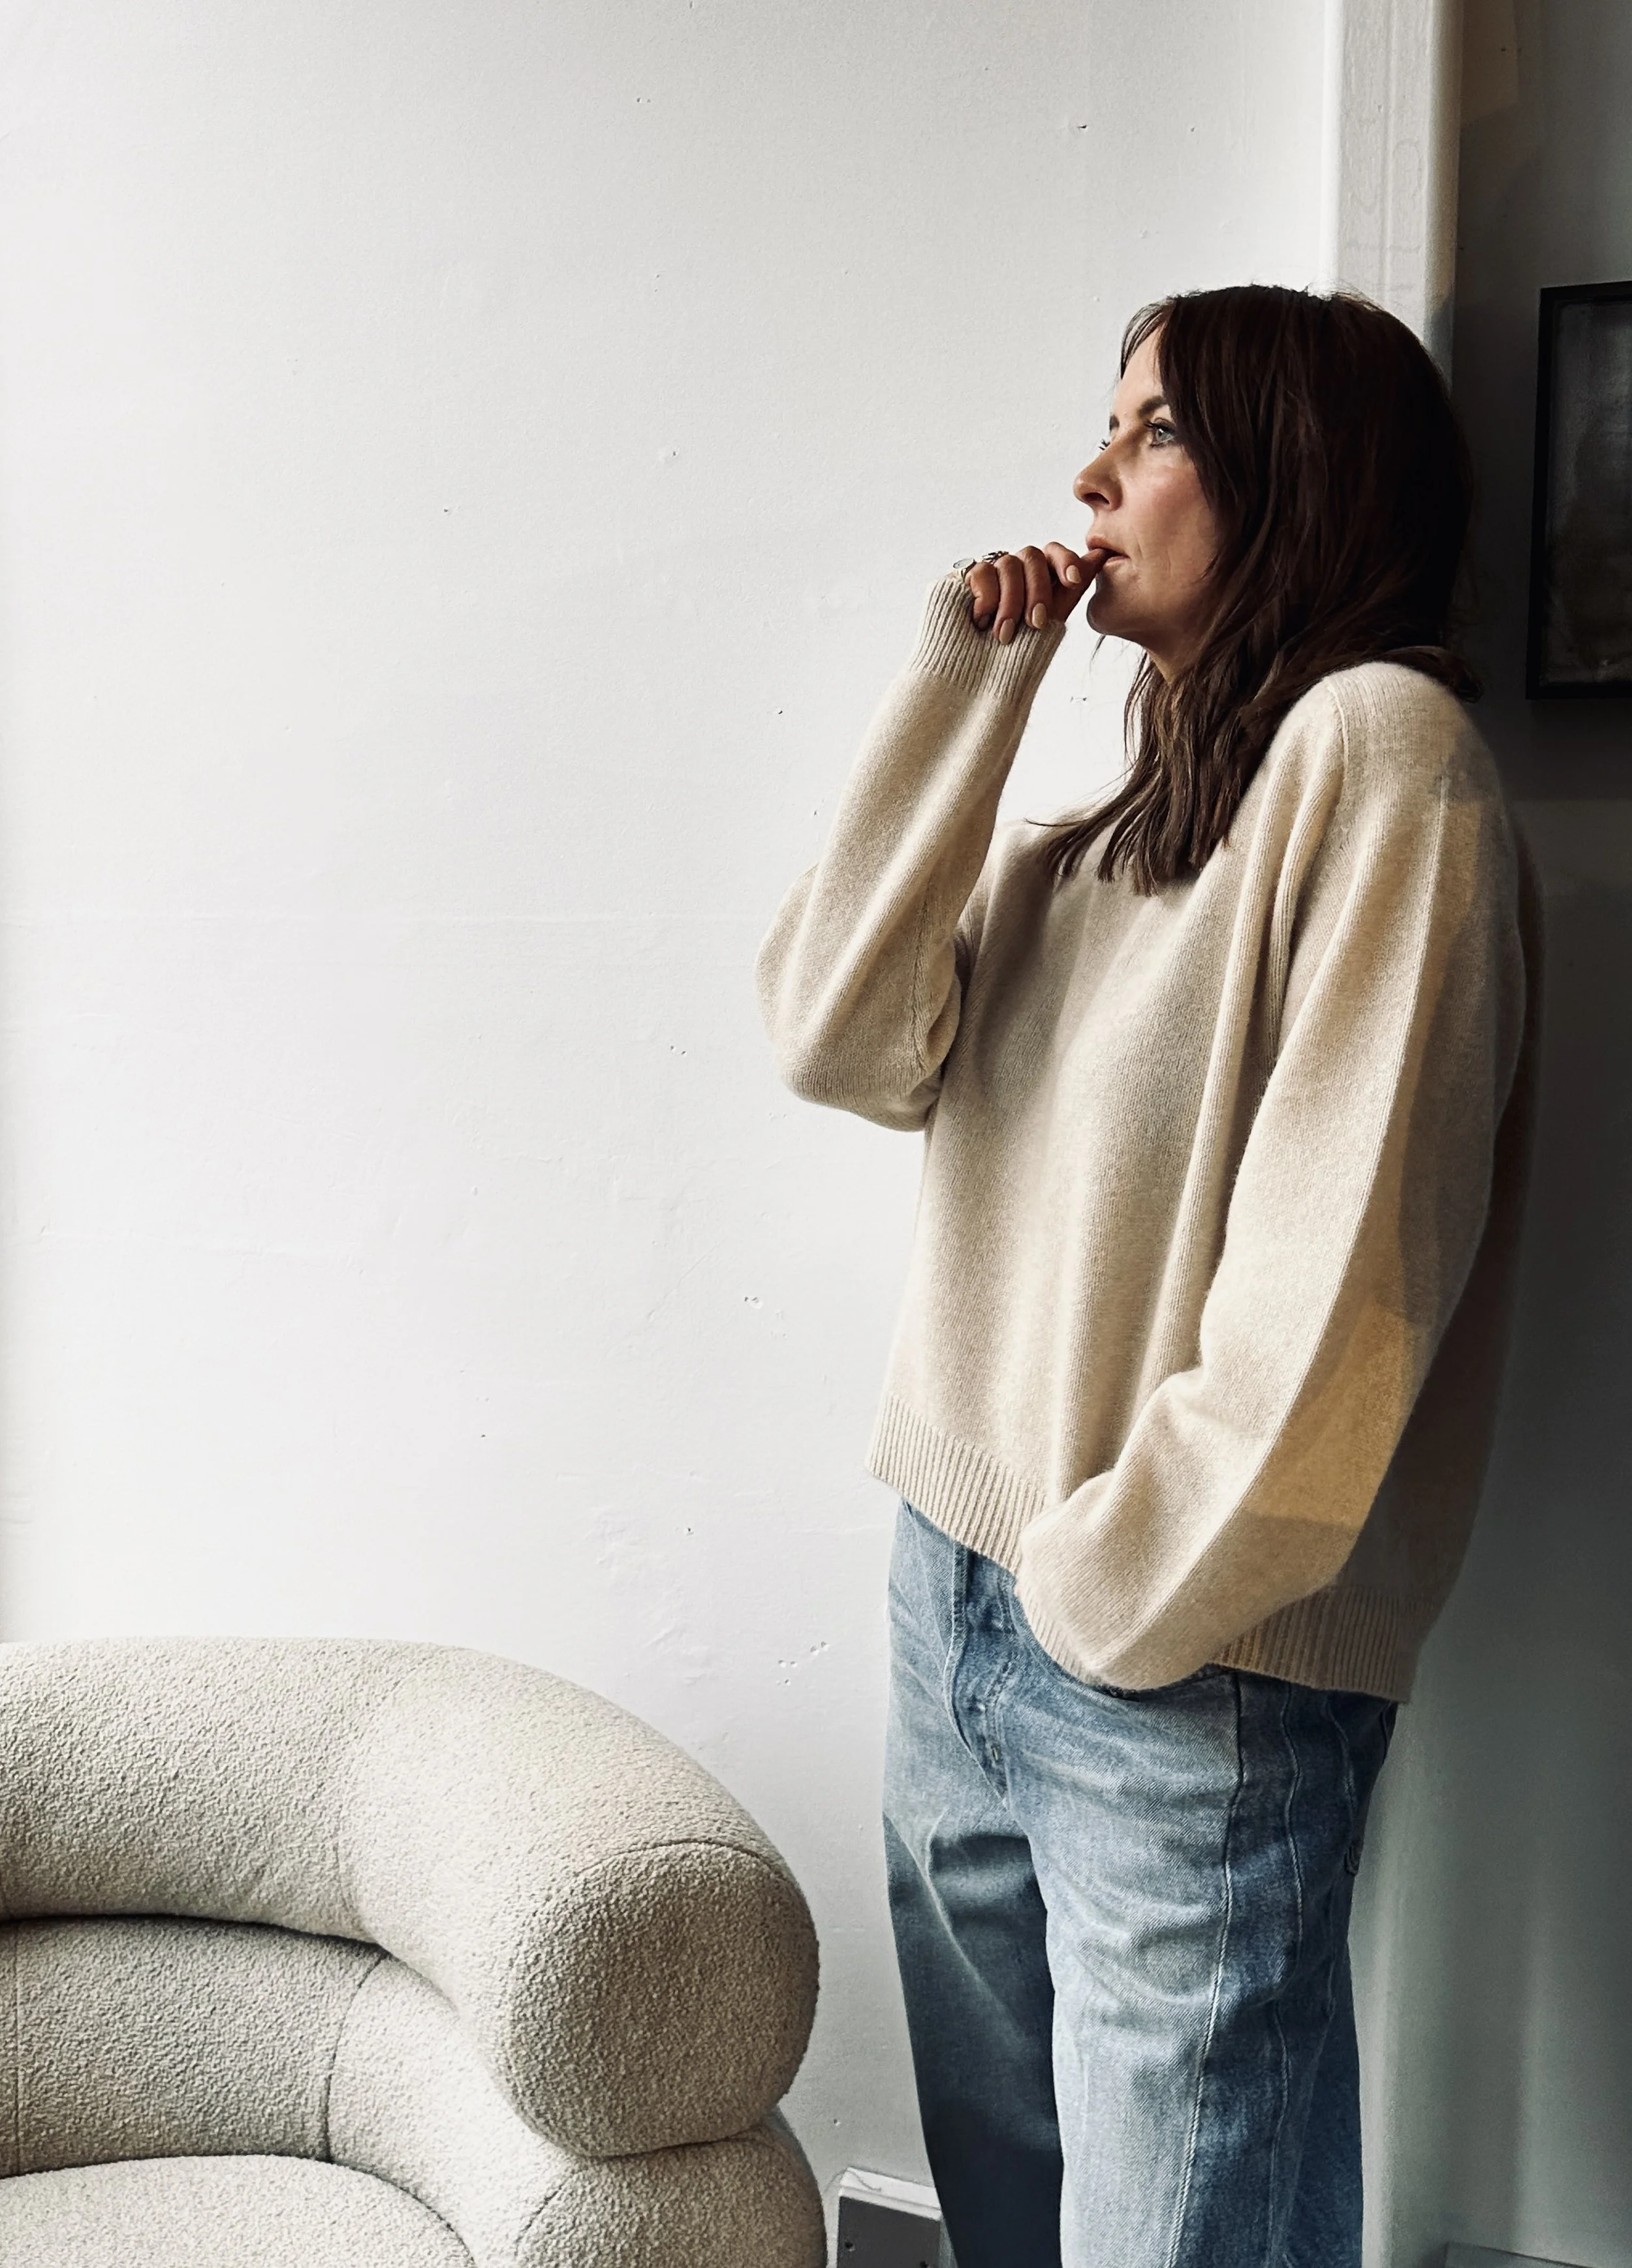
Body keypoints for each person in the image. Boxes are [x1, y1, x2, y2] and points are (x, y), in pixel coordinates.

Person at [755, 283, 1537, 2268]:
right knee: (1017, 2220)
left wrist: (1119, 1595)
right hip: (958, 1593)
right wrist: (965, 680)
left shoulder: (1383, 757)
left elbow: (1344, 1289)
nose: (1093, 472)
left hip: (1181, 1660)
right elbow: (836, 1036)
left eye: (1158, 429)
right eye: (1105, 426)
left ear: (1295, 476)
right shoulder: (1111, 830)